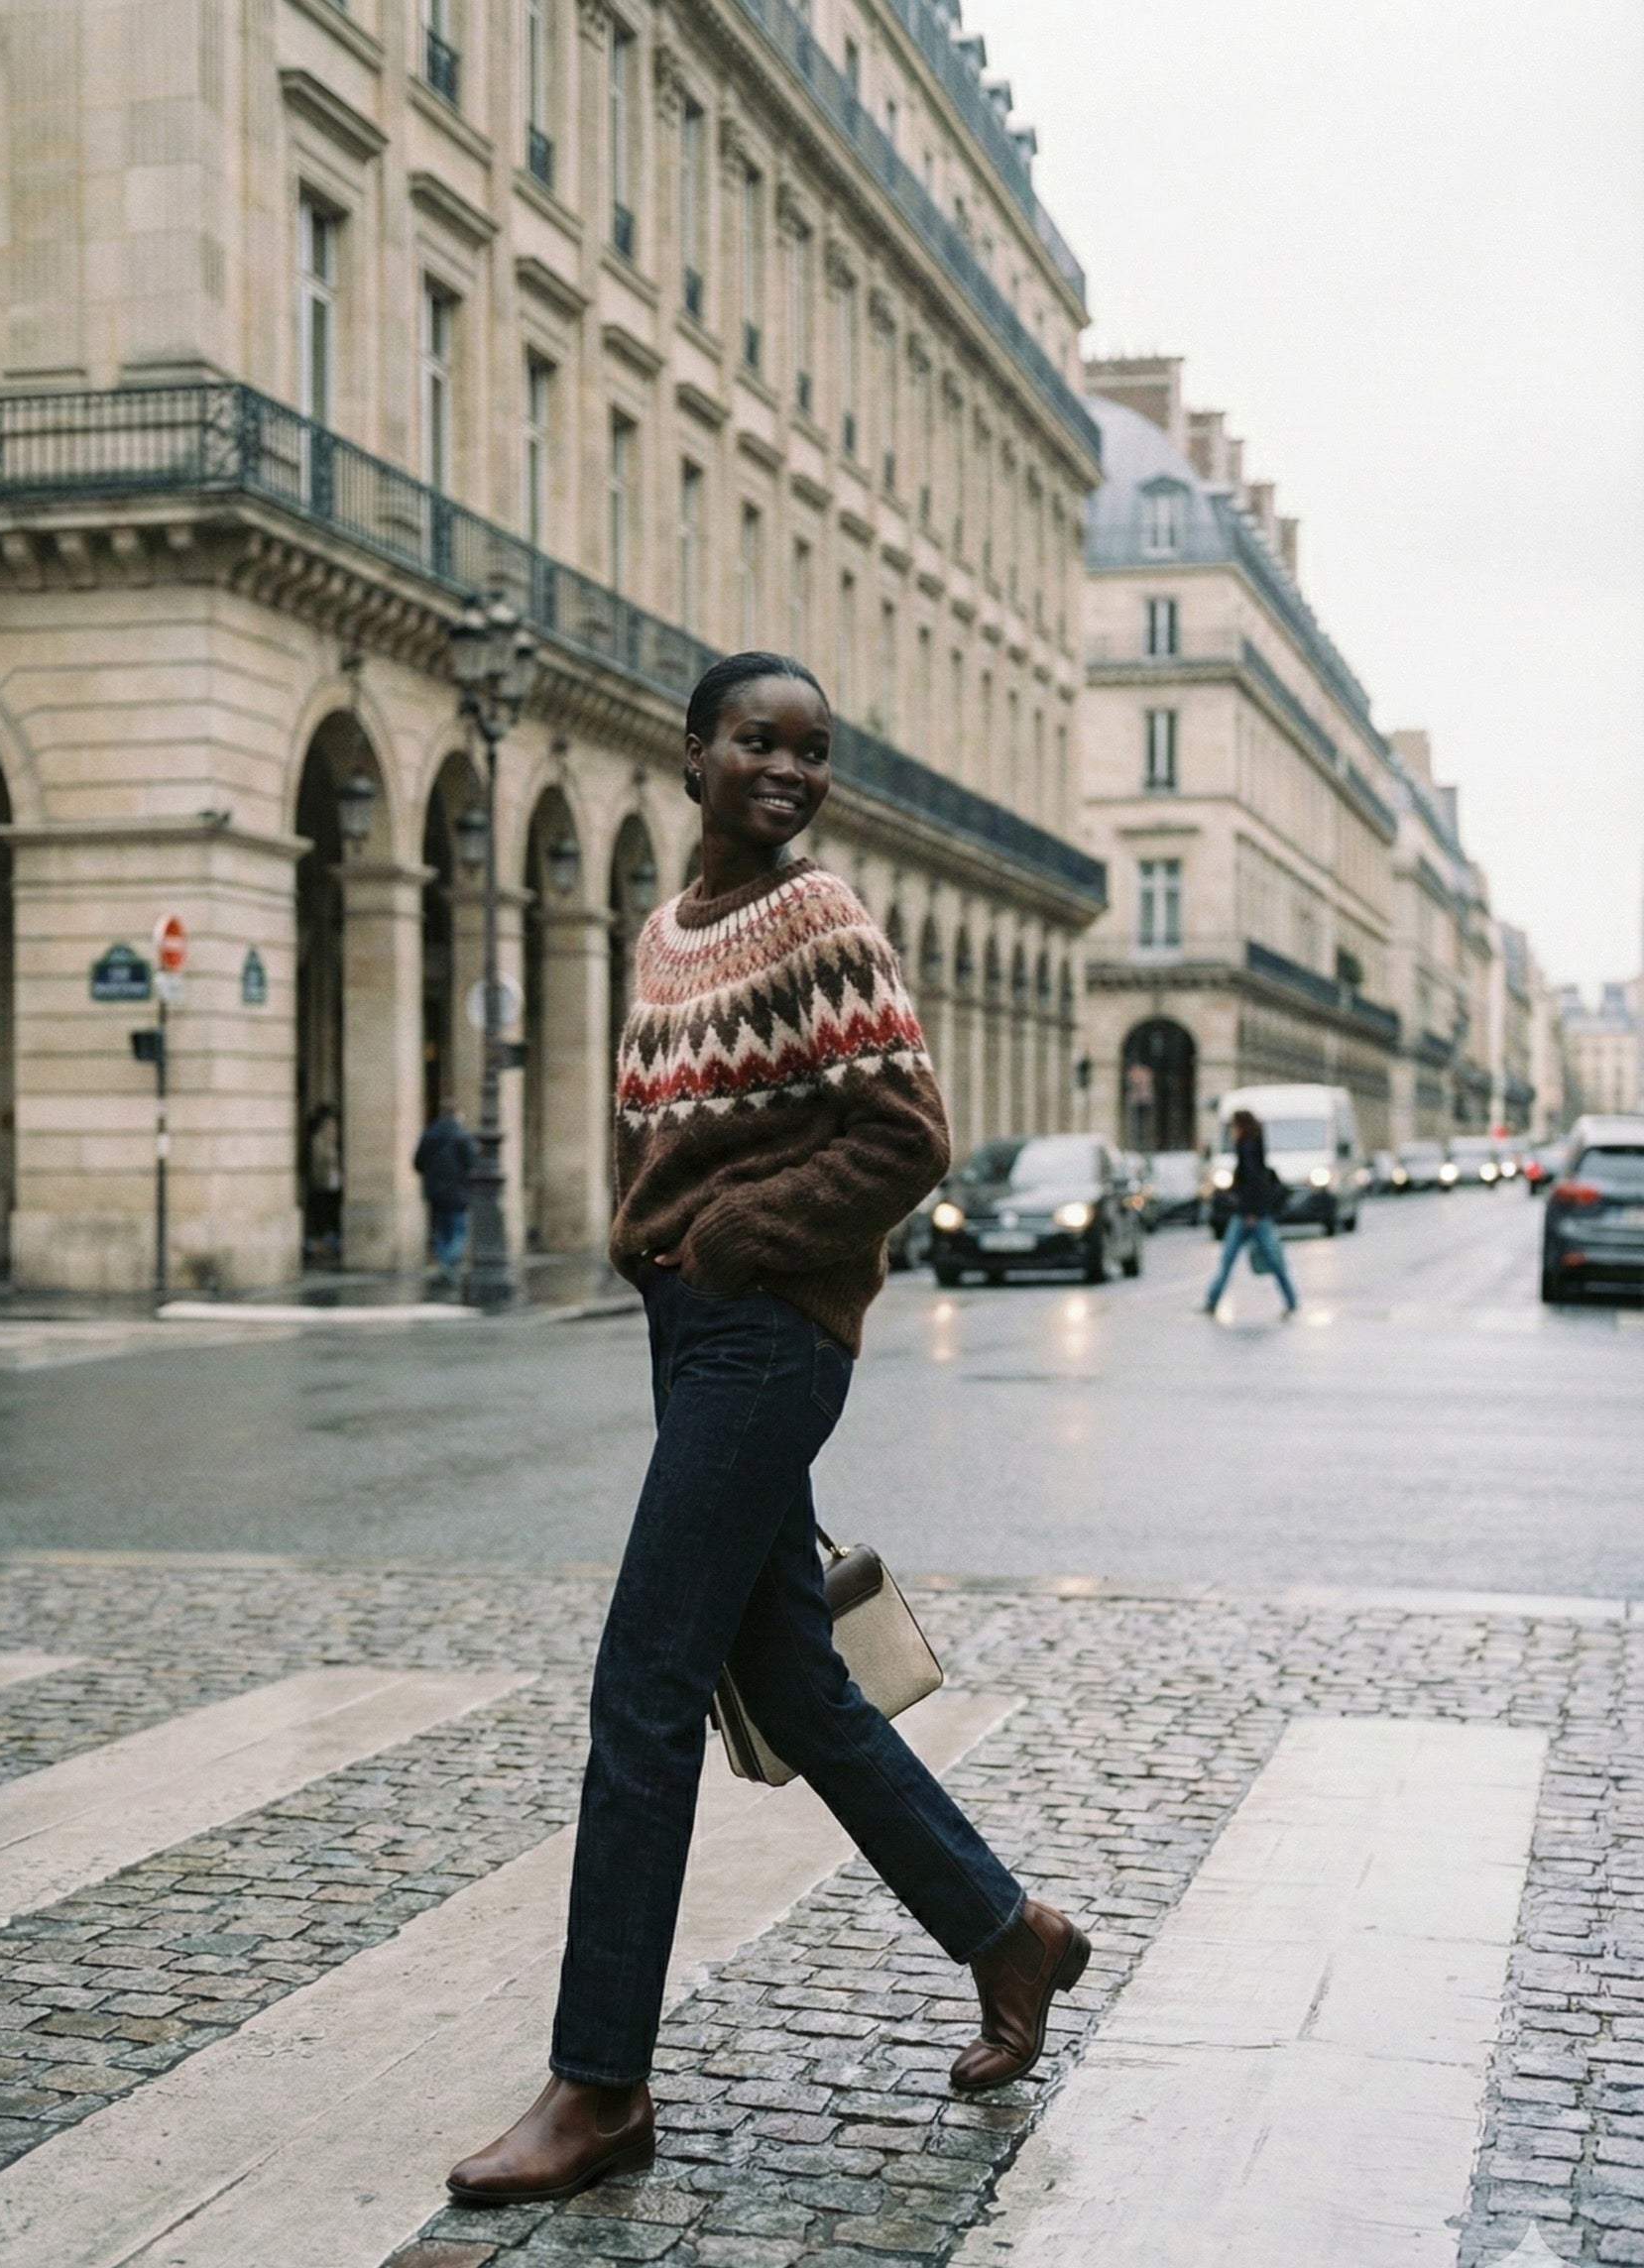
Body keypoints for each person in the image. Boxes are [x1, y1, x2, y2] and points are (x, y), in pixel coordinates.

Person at [444, 652, 1091, 2210]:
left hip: (770, 1333)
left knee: (645, 1685)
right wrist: (644, 1241)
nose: (789, 768)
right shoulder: (666, 932)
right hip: (698, 1330)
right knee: (795, 1685)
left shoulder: (822, 919)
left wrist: (740, 1239)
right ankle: (1008, 1934)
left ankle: (601, 2086)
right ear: (695, 758)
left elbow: (908, 1138)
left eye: (813, 749)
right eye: (758, 740)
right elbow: (656, 1125)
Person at [1203, 1106, 1299, 1315]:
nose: (1231, 1130)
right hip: (1253, 1212)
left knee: (1231, 1259)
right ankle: (1291, 1300)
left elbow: (1254, 1181)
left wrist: (1251, 1212)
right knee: (1272, 1259)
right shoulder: (1253, 1144)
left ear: (1240, 1126)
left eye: (1233, 1126)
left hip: (1250, 1214)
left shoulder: (1247, 1147)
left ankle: (1211, 1301)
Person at [413, 1098, 476, 1281]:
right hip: (457, 1191)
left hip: (434, 1191)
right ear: (456, 1114)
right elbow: (472, 1163)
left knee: (441, 1229)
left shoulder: (429, 1134)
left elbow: (417, 1163)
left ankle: (444, 1264)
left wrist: (432, 1175)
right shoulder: (461, 1135)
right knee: (458, 1229)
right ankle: (449, 1263)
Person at [304, 1102, 342, 1260]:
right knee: (324, 1215)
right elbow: (319, 1165)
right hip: (323, 1185)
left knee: (329, 1215)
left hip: (332, 1184)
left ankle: (328, 1243)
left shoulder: (331, 1143)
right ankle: (324, 1245)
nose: (335, 1128)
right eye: (331, 1124)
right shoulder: (319, 1141)